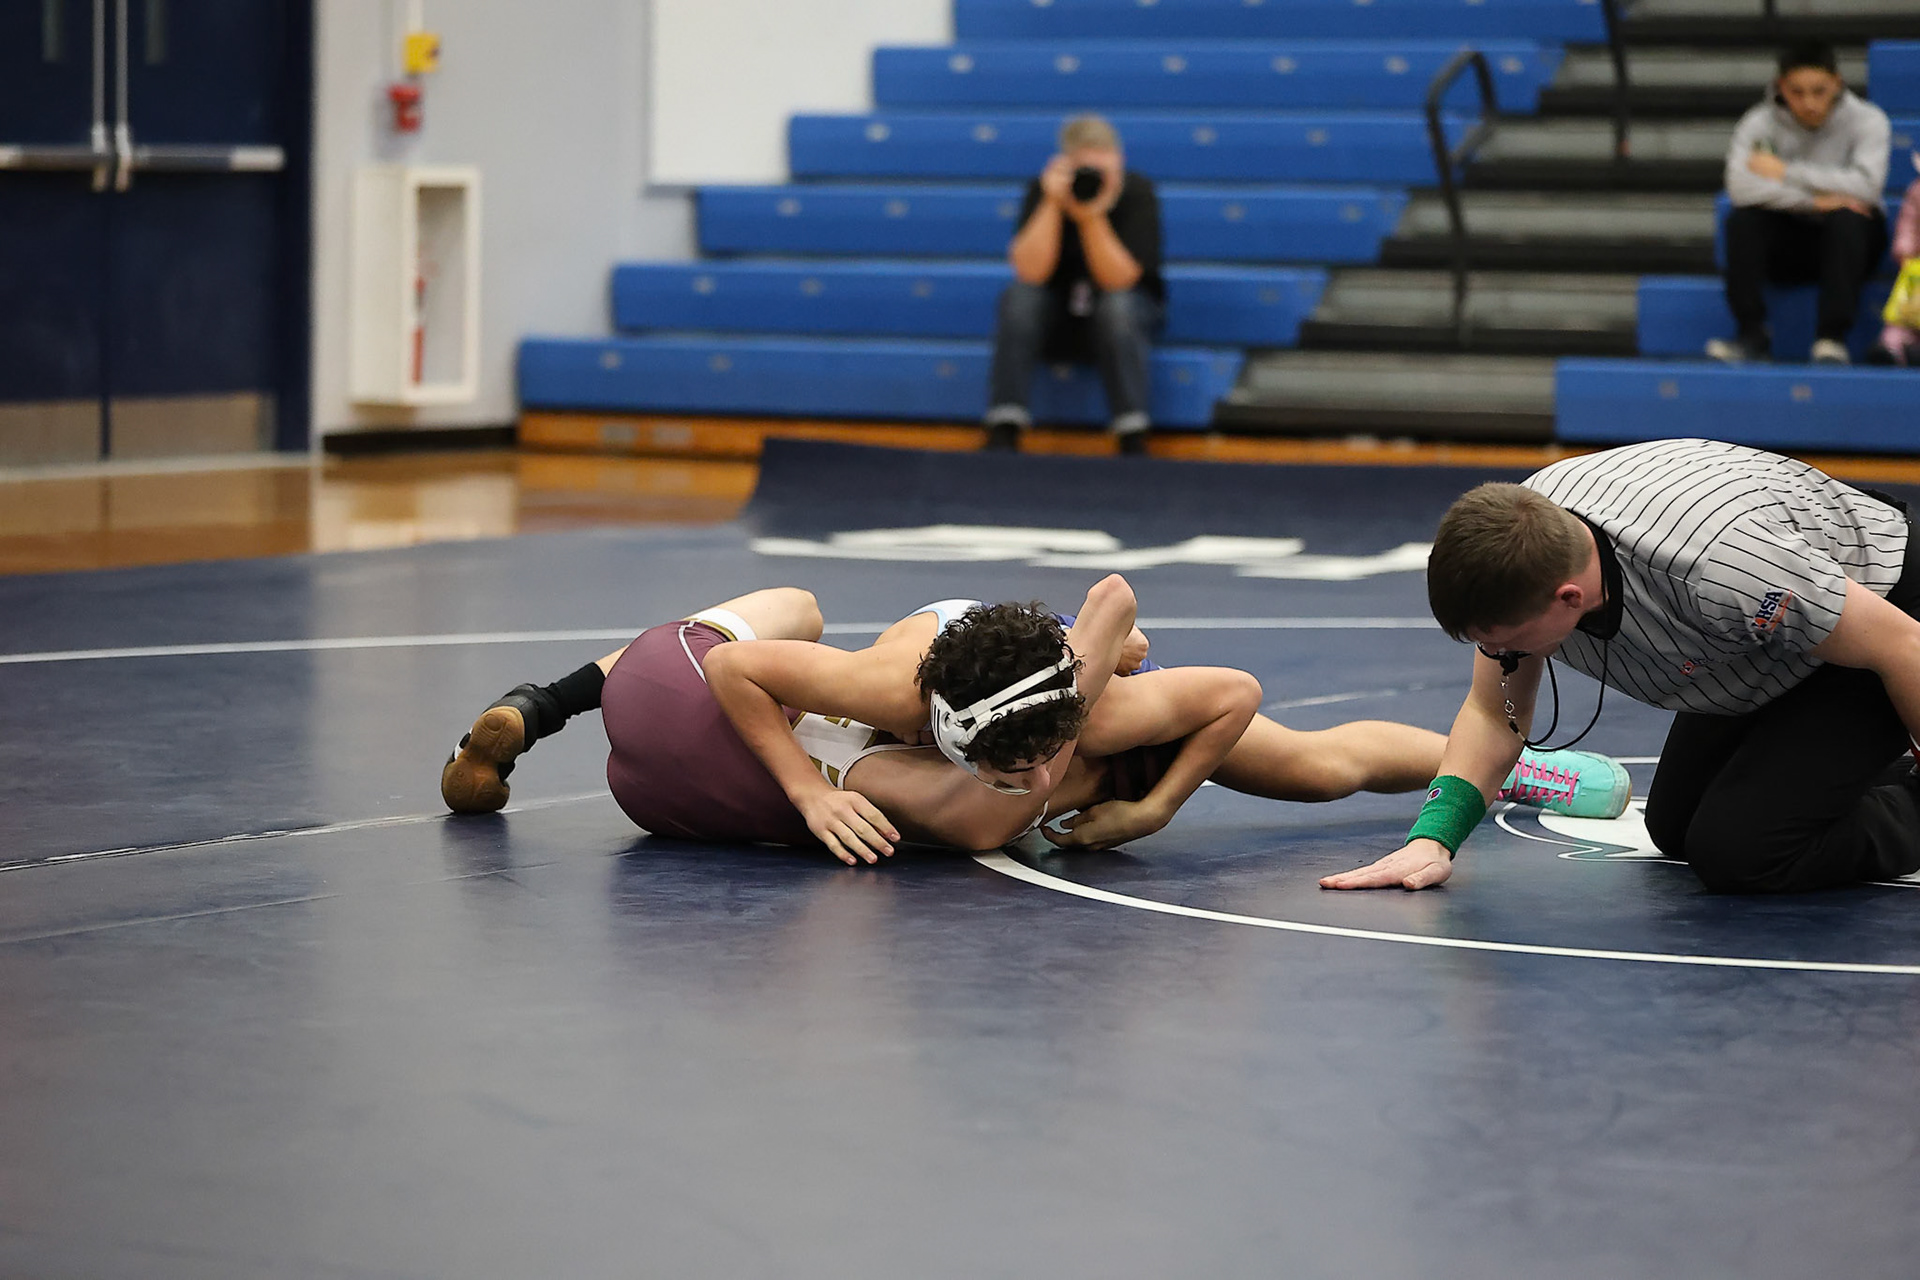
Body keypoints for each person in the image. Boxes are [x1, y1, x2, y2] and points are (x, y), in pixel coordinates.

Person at [442, 585, 1632, 863]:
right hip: (993, 670)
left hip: (1073, 679)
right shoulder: (898, 707)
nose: (1028, 781)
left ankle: (1515, 770)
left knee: (1318, 769)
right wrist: (806, 790)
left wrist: (1154, 804)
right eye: (1014, 771)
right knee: (1316, 767)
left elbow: (1222, 687)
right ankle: (541, 706)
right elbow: (746, 677)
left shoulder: (1101, 705)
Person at [1323, 439, 1920, 895]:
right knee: (1677, 826)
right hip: (1758, 645)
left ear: (1569, 598)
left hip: (1884, 609)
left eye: (1508, 645)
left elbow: (1902, 647)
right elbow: (1493, 712)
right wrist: (1434, 838)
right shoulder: (1522, 548)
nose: (1503, 657)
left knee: (1742, 851)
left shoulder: (1716, 570)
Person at [984, 114, 1164, 456]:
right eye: (1085, 170)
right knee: (1018, 298)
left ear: (1119, 162)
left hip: (1122, 314)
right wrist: (1053, 203)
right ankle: (1004, 423)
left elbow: (1120, 279)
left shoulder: (1137, 192)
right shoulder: (1045, 190)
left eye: (1102, 170)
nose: (1092, 180)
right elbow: (1029, 272)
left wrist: (1091, 217)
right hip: (1058, 312)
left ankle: (1131, 430)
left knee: (1119, 307)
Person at [1708, 40, 1891, 366]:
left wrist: (1785, 172)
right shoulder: (1757, 122)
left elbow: (1867, 187)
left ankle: (1831, 340)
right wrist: (1815, 202)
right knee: (1742, 220)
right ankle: (1752, 335)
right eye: (1797, 92)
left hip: (1853, 246)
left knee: (1849, 217)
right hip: (1790, 242)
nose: (1809, 103)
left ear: (1837, 83)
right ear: (1781, 87)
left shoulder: (1869, 120)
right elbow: (1740, 188)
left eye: (1819, 91)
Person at [1867, 159, 1920, 366]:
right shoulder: (1917, 191)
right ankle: (1892, 348)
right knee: (1902, 313)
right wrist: (1906, 253)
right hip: (1917, 270)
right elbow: (1908, 225)